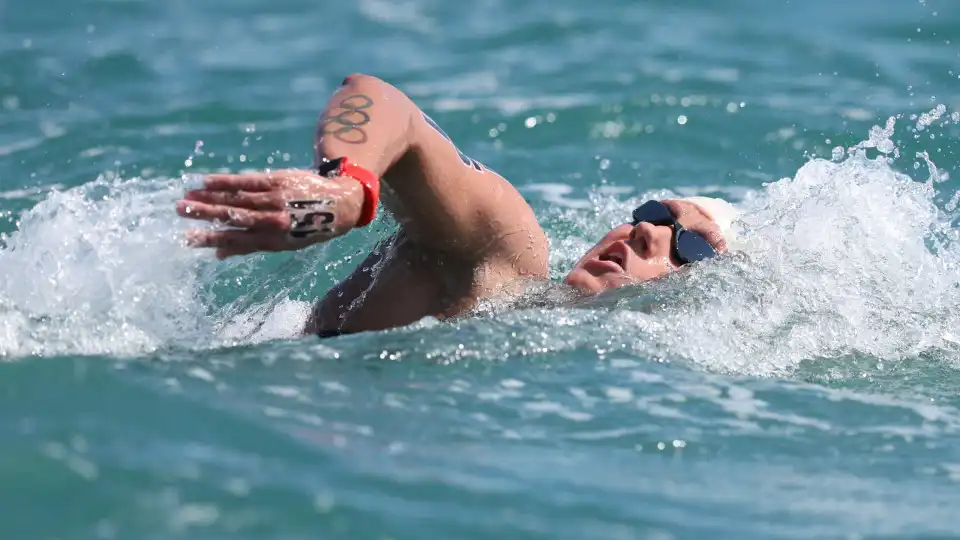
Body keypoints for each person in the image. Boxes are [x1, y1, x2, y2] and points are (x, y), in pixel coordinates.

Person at [176, 73, 738, 337]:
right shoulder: (508, 255)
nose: (649, 232)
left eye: (687, 245)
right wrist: (348, 189)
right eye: (655, 212)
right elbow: (384, 101)